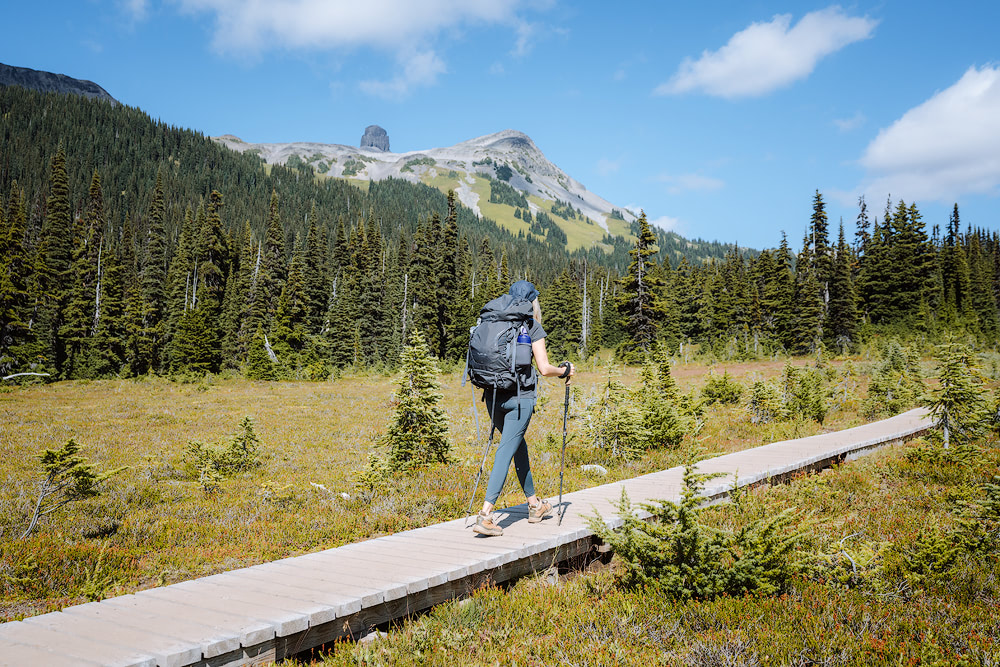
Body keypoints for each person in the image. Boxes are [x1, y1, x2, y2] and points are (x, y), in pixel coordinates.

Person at [473, 280, 574, 537]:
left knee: (518, 447)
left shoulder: (494, 321)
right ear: (532, 302)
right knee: (506, 450)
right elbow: (544, 368)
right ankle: (486, 514)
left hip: (493, 395)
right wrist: (565, 371)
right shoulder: (531, 325)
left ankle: (534, 505)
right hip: (520, 398)